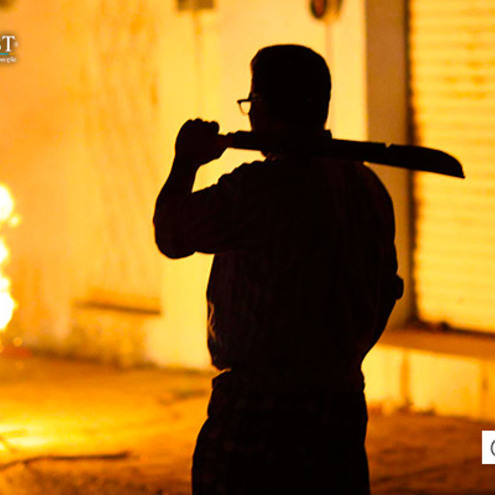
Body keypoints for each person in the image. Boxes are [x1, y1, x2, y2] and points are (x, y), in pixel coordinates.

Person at [153, 44, 402, 494]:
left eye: (251, 102)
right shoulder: (368, 188)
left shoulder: (259, 189)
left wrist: (186, 160)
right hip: (341, 410)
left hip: (260, 414)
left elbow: (170, 235)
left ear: (263, 109)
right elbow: (387, 292)